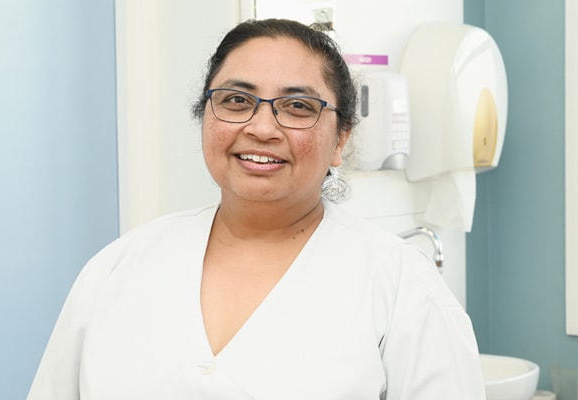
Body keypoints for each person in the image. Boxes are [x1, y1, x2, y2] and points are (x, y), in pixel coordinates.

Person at [27, 18, 486, 400]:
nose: (261, 127)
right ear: (205, 117)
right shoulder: (116, 269)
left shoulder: (403, 286)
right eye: (236, 100)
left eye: (298, 106)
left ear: (340, 139)